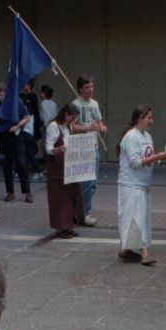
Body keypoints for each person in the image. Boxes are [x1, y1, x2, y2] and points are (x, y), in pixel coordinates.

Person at [117, 105, 166, 266]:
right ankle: (143, 251)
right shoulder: (131, 137)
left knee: (140, 217)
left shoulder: (147, 137)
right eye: (149, 117)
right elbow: (135, 162)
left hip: (143, 183)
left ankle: (126, 248)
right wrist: (155, 157)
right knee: (135, 218)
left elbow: (147, 157)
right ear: (140, 118)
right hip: (131, 184)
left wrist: (157, 158)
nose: (151, 121)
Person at [44, 103, 86, 238]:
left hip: (68, 166)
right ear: (66, 114)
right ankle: (62, 228)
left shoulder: (68, 127)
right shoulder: (53, 126)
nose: (73, 121)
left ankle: (70, 225)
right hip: (57, 167)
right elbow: (48, 148)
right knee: (60, 199)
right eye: (72, 118)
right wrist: (58, 149)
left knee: (73, 196)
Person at [70, 74, 107, 226]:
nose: (91, 90)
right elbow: (71, 126)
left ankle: (78, 211)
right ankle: (84, 213)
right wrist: (87, 128)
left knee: (93, 183)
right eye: (87, 87)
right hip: (81, 148)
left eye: (92, 86)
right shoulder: (75, 105)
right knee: (86, 183)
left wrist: (102, 128)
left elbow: (99, 122)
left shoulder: (95, 104)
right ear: (80, 89)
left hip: (94, 146)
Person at [0, 81, 33, 204]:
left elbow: (26, 117)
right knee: (6, 165)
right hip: (4, 136)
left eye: (2, 95)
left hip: (16, 135)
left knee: (21, 163)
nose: (0, 97)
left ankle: (27, 192)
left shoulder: (17, 102)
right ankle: (10, 192)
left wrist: (17, 126)